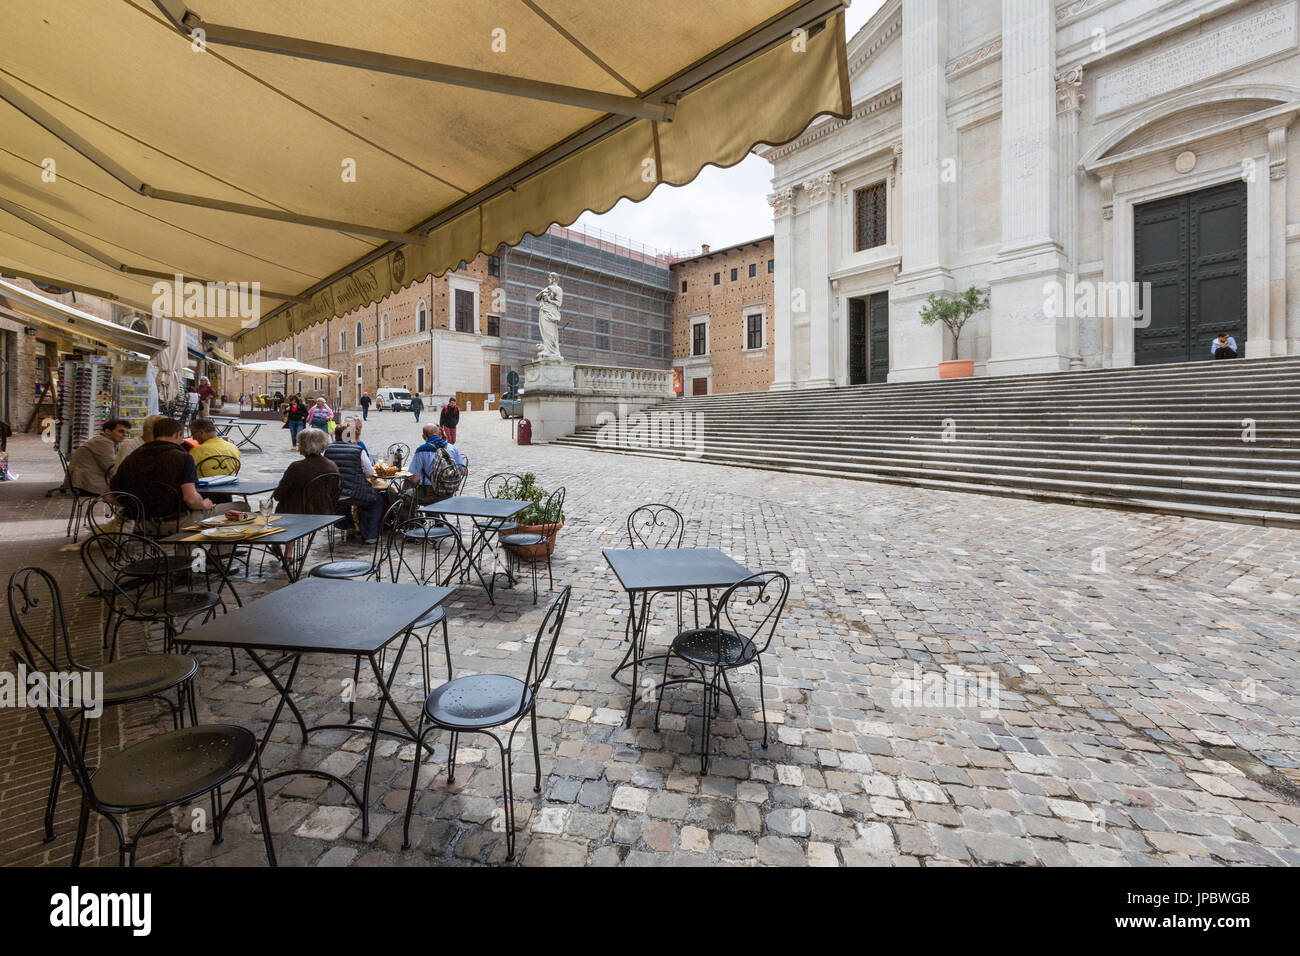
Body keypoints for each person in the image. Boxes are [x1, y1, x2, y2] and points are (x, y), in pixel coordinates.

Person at [111, 417, 214, 528]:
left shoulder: (133, 456)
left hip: (138, 524)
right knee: (225, 513)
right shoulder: (184, 458)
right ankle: (186, 544)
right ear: (177, 434)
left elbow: (108, 496)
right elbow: (191, 499)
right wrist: (204, 504)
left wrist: (135, 507)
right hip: (174, 522)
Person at [323, 421, 383, 542]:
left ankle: (349, 526)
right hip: (354, 492)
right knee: (375, 500)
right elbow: (370, 473)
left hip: (333, 493)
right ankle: (370, 536)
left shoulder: (327, 450)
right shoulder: (358, 450)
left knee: (342, 502)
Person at [272, 427, 339, 514]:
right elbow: (335, 493)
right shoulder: (331, 465)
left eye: (299, 443)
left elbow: (278, 495)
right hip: (323, 512)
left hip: (297, 513)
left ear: (304, 446)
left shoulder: (296, 467)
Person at [68, 418, 130, 496]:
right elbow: (111, 468)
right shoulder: (103, 442)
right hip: (86, 485)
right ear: (108, 431)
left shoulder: (103, 440)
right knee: (129, 492)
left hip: (82, 481)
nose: (125, 435)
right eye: (121, 431)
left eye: (127, 433)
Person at [409, 423, 465, 505]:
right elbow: (463, 471)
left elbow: (415, 479)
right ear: (439, 434)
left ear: (423, 437)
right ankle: (433, 514)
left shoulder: (421, 450)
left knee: (403, 496)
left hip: (429, 493)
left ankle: (413, 517)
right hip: (449, 493)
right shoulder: (452, 448)